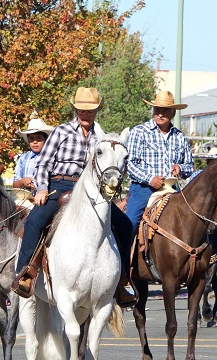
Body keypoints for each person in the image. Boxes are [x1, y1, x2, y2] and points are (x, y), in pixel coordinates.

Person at [11, 87, 135, 302]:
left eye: (91, 110)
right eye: (82, 110)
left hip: (92, 191)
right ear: (75, 110)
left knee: (125, 226)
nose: (86, 114)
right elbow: (43, 163)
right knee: (34, 221)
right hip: (60, 184)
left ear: (97, 111)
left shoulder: (102, 136)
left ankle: (122, 280)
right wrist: (41, 188)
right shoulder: (62, 131)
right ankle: (25, 273)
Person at [123, 91, 195, 232]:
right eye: (157, 110)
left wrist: (180, 168)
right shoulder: (139, 132)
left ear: (173, 113)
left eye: (165, 110)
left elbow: (189, 166)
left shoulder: (180, 137)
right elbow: (130, 164)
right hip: (143, 189)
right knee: (130, 223)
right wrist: (150, 179)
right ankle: (124, 254)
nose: (160, 114)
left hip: (171, 190)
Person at [13, 113, 54, 193]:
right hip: (26, 199)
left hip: (46, 198)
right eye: (31, 138)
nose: (35, 142)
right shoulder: (23, 158)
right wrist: (23, 182)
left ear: (46, 140)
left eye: (39, 138)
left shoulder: (51, 157)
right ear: (28, 140)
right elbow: (15, 185)